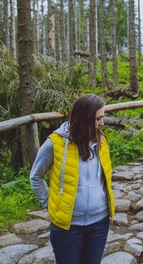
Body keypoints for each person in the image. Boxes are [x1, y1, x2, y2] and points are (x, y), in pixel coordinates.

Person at [30, 94, 115, 264]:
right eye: (98, 119)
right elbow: (36, 177)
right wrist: (49, 203)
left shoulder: (102, 142)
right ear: (84, 119)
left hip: (99, 224)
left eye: (102, 118)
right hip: (67, 228)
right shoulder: (55, 143)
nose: (102, 123)